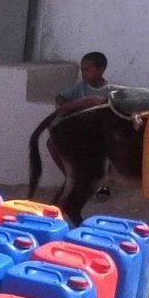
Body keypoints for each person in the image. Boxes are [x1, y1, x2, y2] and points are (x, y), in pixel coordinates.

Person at [50, 51, 114, 199]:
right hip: (78, 132)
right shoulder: (80, 87)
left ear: (101, 70)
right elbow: (61, 97)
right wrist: (66, 106)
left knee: (105, 152)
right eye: (81, 69)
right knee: (52, 144)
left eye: (87, 70)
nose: (83, 73)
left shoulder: (109, 91)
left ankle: (103, 185)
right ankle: (71, 177)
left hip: (97, 134)